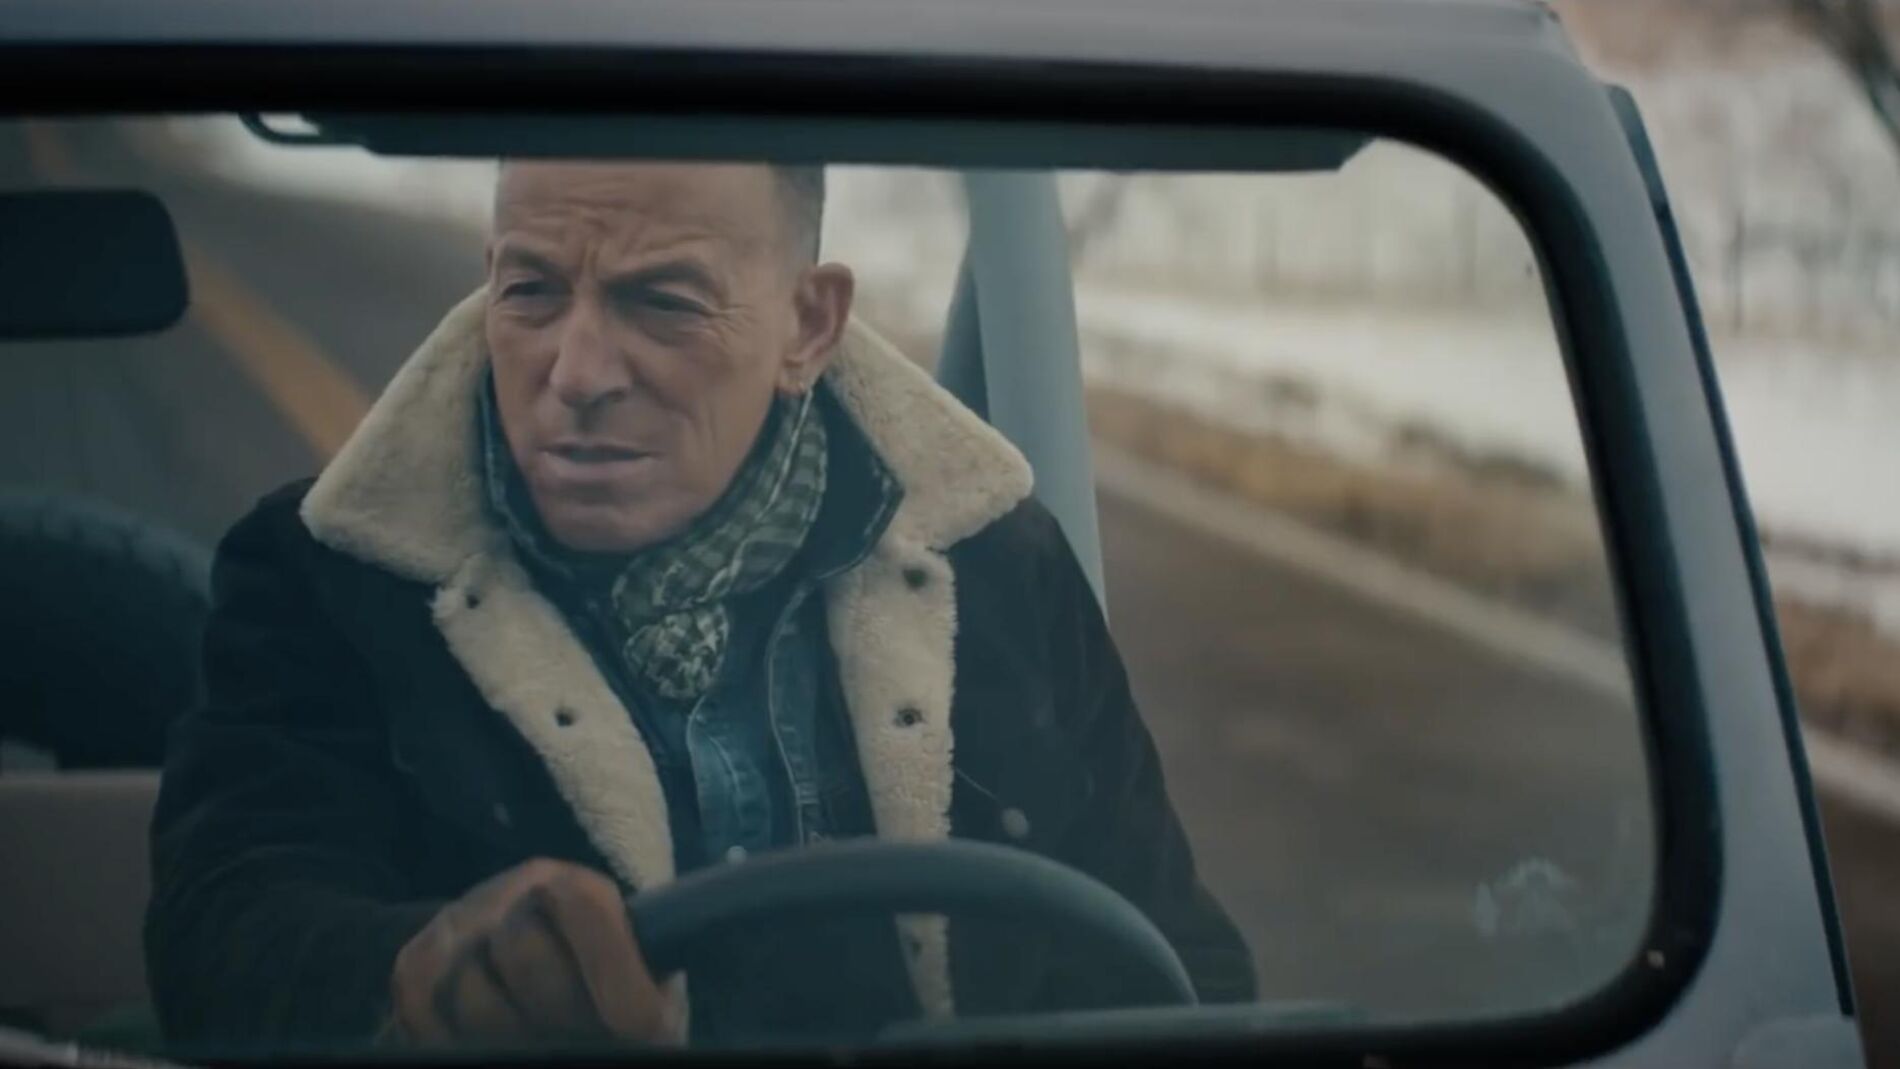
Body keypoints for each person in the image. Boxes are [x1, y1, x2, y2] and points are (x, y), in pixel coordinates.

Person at [144, 159, 1255, 1051]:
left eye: (661, 302)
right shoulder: (327, 573)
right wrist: (423, 970)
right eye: (530, 291)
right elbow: (224, 933)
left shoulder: (998, 568)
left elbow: (1181, 967)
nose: (576, 371)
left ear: (808, 326)